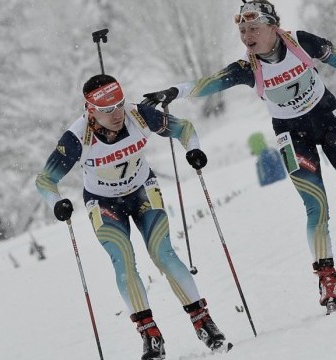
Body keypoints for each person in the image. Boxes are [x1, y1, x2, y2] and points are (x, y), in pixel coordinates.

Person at [141, 0, 336, 314]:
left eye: (253, 28)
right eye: (242, 30)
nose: (246, 35)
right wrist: (171, 93)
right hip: (293, 137)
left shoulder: (300, 41)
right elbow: (206, 83)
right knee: (316, 207)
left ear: (273, 27)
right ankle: (327, 278)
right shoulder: (248, 68)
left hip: (331, 122)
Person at [36, 74, 230, 359]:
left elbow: (184, 129)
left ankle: (204, 322)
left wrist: (194, 150)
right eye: (106, 110)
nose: (116, 114)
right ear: (91, 110)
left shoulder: (139, 115)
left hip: (142, 191)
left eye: (119, 105)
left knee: (163, 253)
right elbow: (44, 180)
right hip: (103, 202)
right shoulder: (76, 137)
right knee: (123, 261)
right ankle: (150, 335)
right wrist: (57, 202)